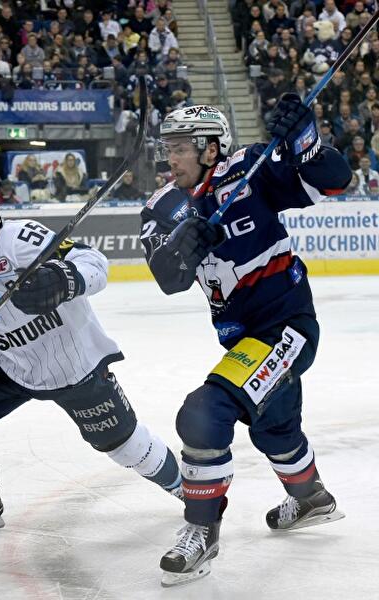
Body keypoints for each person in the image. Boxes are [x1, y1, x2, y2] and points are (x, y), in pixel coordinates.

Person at [139, 100, 349, 586]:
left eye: (182, 147)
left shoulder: (250, 169)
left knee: (204, 413)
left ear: (211, 148)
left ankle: (201, 531)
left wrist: (306, 145)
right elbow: (168, 279)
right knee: (274, 427)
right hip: (243, 340)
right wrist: (185, 244)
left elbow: (335, 181)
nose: (172, 157)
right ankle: (312, 498)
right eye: (169, 147)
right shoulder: (161, 206)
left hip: (287, 325)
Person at [0, 178, 183, 532]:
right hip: (10, 365)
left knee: (126, 447)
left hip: (75, 366)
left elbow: (93, 261)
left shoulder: (22, 238)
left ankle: (186, 490)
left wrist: (64, 279)